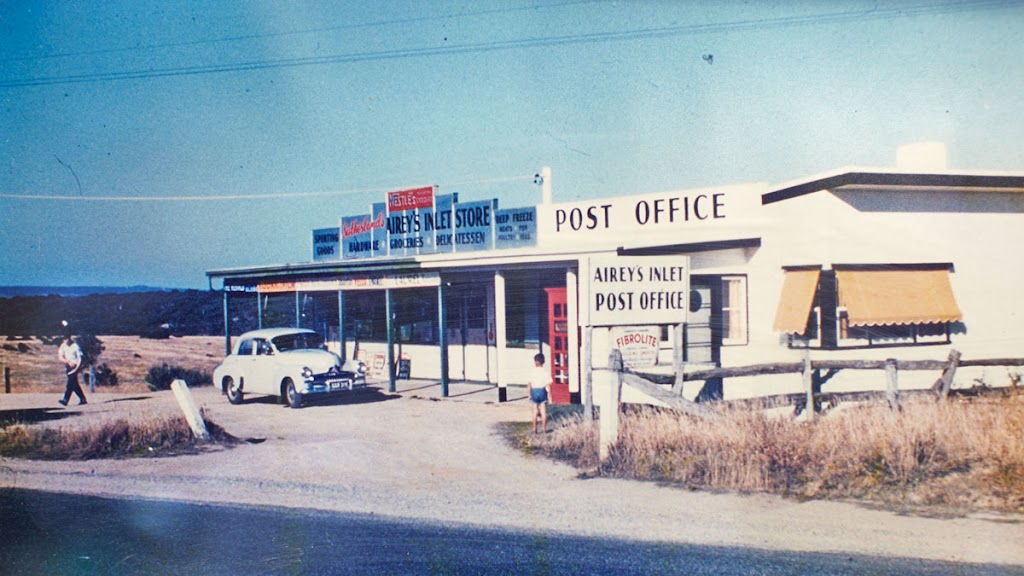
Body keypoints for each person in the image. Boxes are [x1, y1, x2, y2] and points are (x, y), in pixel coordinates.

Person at [57, 334, 87, 406]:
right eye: (63, 339)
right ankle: (82, 399)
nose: (65, 340)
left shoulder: (75, 346)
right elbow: (60, 356)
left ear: (69, 338)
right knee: (74, 383)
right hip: (68, 365)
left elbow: (80, 358)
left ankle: (65, 400)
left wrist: (77, 368)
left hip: (75, 366)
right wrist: (68, 361)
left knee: (70, 383)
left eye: (66, 339)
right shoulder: (63, 346)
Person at [528, 353, 552, 433]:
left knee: (534, 411)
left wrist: (529, 394)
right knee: (543, 411)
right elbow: (548, 384)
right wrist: (549, 395)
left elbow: (529, 384)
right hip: (542, 391)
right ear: (543, 362)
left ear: (535, 362)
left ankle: (534, 429)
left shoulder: (532, 371)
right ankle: (544, 429)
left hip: (534, 391)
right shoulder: (545, 371)